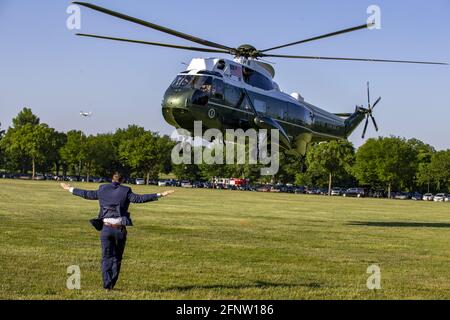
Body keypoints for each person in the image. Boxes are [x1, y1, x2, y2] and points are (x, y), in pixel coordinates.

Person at [60, 172, 174, 290]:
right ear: (122, 180)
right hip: (119, 230)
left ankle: (107, 285)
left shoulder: (102, 188)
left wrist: (69, 188)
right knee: (117, 258)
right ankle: (111, 283)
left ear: (112, 179)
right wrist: (160, 194)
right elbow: (139, 199)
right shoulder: (126, 191)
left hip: (106, 228)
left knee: (106, 257)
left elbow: (87, 194)